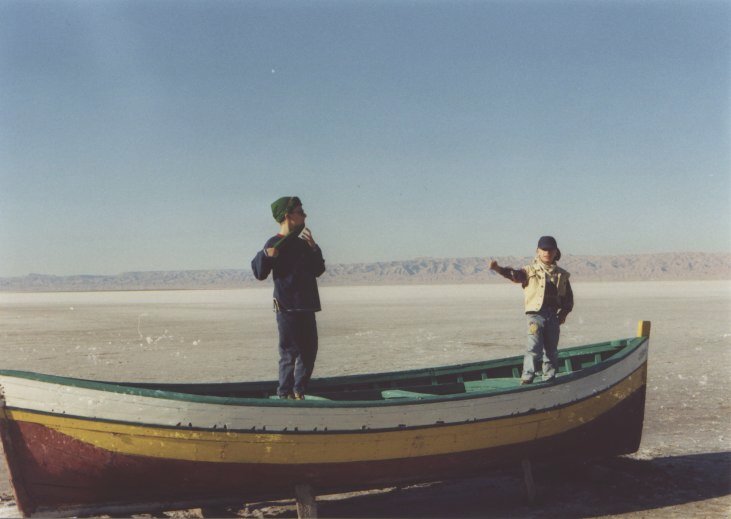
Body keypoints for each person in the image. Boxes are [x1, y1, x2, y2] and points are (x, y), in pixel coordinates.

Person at [251, 196, 326, 399]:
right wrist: (267, 256)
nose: (305, 215)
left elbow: (318, 270)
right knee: (289, 353)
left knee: (309, 352)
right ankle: (284, 393)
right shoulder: (275, 243)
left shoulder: (302, 244)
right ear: (287, 216)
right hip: (287, 308)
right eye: (300, 212)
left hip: (307, 307)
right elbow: (259, 273)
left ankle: (299, 391)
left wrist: (314, 249)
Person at [489, 236, 573, 384]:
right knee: (534, 347)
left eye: (550, 250)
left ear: (556, 252)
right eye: (544, 249)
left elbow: (568, 299)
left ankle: (549, 378)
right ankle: (527, 378)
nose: (547, 252)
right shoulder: (529, 271)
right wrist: (498, 269)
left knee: (551, 350)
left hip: (552, 316)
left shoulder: (562, 274)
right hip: (535, 316)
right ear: (538, 251)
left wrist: (563, 314)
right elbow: (514, 275)